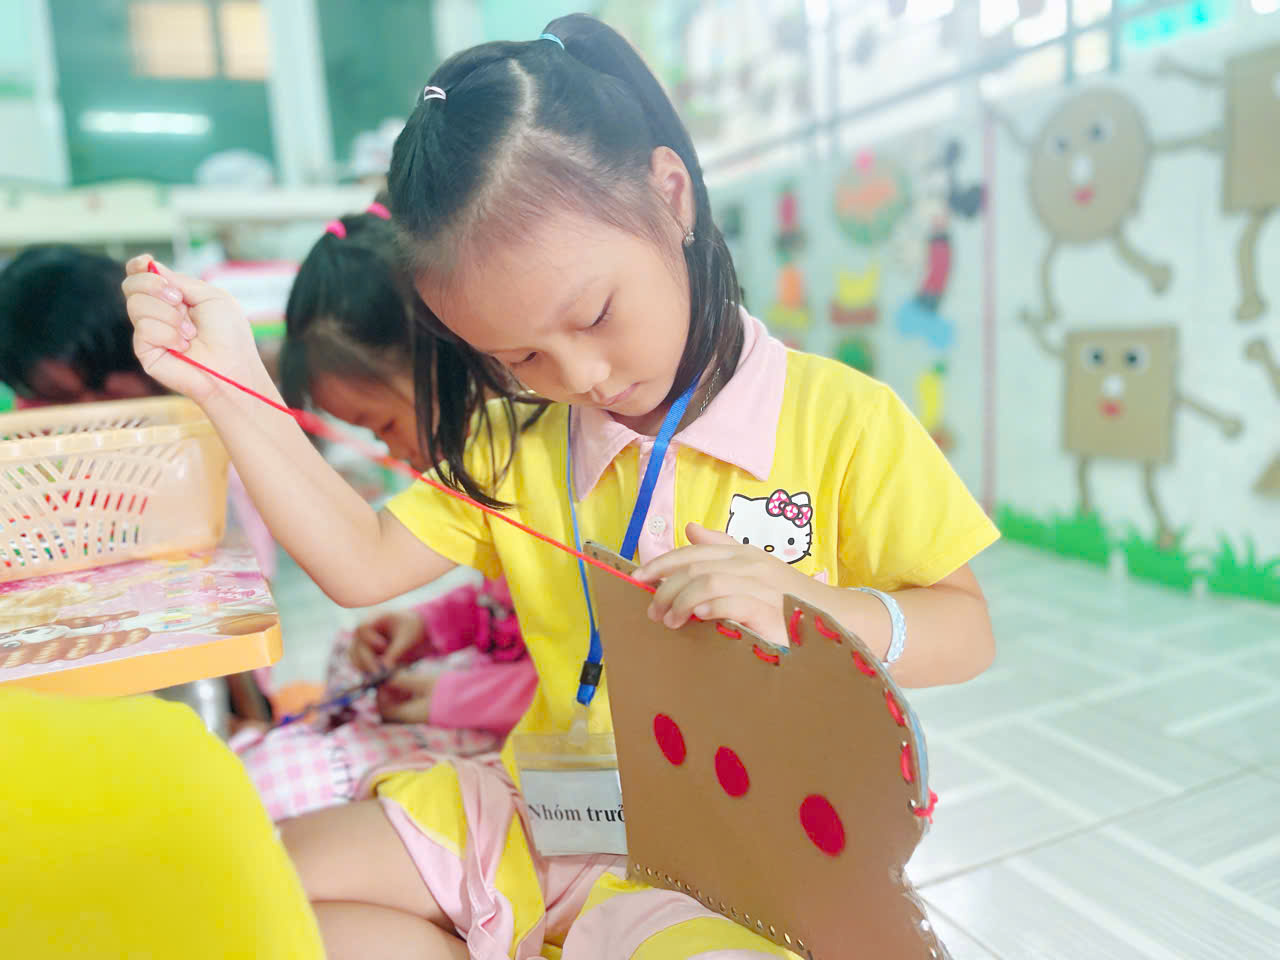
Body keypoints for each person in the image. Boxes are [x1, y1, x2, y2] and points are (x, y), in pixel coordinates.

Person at [123, 14, 998, 958]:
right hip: (548, 816)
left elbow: (966, 630)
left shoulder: (843, 420)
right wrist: (228, 383)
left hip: (729, 858)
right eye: (522, 356)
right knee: (248, 889)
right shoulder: (517, 444)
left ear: (670, 195)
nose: (580, 377)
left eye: (594, 313)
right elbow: (360, 561)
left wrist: (816, 612)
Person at [233, 201, 538, 821]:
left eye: (386, 425)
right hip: (491, 687)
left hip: (537, 723)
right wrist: (428, 626)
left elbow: (577, 671)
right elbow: (506, 607)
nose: (392, 452)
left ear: (448, 362)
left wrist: (446, 698)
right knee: (351, 658)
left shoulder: (527, 467)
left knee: (276, 783)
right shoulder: (486, 471)